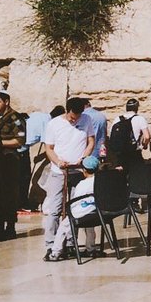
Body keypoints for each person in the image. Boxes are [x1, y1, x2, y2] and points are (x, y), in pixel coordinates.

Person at [40, 100, 93, 262]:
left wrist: (84, 157)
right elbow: (49, 148)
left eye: (77, 117)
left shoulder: (86, 120)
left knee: (75, 208)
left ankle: (71, 242)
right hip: (59, 172)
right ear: (67, 111)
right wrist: (58, 162)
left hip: (77, 171)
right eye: (72, 117)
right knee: (55, 209)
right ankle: (51, 245)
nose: (74, 120)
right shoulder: (54, 124)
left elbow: (91, 141)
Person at [0, 90, 29, 241]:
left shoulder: (15, 119)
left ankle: (10, 226)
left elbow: (20, 141)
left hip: (10, 159)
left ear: (6, 102)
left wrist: (0, 143)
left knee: (10, 194)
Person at [50, 155, 100, 259]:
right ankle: (91, 249)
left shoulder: (82, 184)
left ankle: (55, 252)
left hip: (81, 212)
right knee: (90, 227)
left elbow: (76, 201)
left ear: (84, 170)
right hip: (96, 212)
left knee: (63, 226)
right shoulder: (100, 181)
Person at [106, 98, 151, 170]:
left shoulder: (117, 119)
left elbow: (111, 136)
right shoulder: (139, 119)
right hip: (134, 153)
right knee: (138, 174)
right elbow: (147, 137)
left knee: (122, 174)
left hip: (120, 154)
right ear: (136, 108)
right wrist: (144, 145)